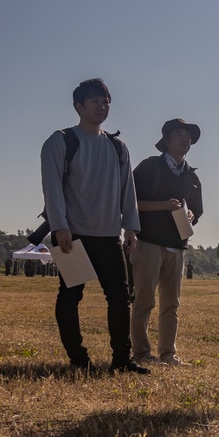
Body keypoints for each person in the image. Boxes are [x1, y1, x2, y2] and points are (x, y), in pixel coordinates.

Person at [39, 78, 147, 373]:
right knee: (71, 295)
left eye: (106, 102)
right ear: (78, 106)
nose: (102, 107)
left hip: (110, 233)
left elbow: (128, 190)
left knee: (120, 297)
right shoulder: (60, 141)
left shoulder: (117, 146)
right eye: (95, 102)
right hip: (72, 235)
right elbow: (52, 189)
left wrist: (132, 228)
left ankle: (122, 361)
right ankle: (78, 359)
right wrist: (59, 226)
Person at [129, 119, 204, 367]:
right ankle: (140, 353)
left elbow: (197, 210)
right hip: (148, 242)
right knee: (144, 300)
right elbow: (130, 203)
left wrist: (191, 214)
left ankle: (168, 353)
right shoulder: (149, 167)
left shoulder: (192, 176)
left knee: (171, 303)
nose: (185, 139)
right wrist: (163, 205)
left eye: (189, 136)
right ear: (167, 140)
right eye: (179, 134)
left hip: (177, 244)